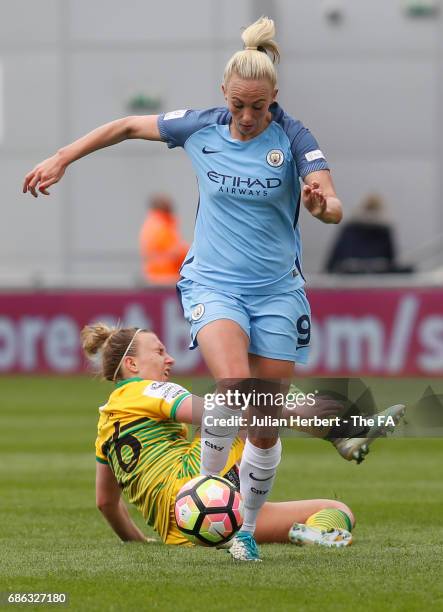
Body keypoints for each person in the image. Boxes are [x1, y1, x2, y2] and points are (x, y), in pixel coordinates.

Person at [23, 16, 353, 561]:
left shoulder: (294, 138)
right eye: (239, 105)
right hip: (214, 283)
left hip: (277, 290)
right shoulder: (199, 126)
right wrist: (62, 157)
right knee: (233, 386)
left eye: (259, 107)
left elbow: (333, 204)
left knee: (263, 426)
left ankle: (242, 530)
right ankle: (206, 500)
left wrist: (322, 206)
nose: (247, 118)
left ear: (275, 99)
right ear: (224, 93)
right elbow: (128, 125)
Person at [82, 323, 355, 548]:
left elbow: (105, 502)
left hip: (185, 530)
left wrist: (140, 541)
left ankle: (308, 533)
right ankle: (339, 433)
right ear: (132, 364)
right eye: (159, 351)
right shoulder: (144, 390)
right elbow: (215, 414)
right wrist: (296, 413)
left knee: (334, 510)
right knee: (231, 397)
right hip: (195, 488)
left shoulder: (106, 424)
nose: (170, 358)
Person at [325, 194, 413, 274]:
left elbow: (331, 264)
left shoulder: (383, 232)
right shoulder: (350, 230)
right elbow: (391, 263)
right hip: (358, 280)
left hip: (358, 280)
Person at [139, 194, 189, 284]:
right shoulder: (162, 225)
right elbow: (174, 252)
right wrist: (190, 252)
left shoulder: (151, 223)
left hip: (154, 275)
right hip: (166, 276)